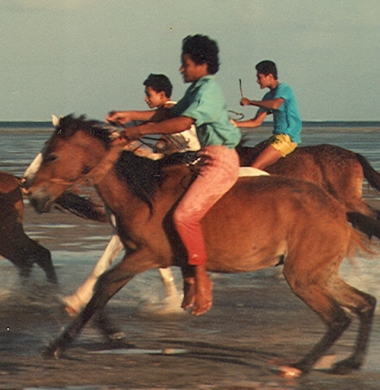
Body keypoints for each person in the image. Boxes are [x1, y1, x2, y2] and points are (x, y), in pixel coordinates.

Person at [107, 34, 241, 315]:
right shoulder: (196, 89)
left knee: (184, 216)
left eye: (186, 64)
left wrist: (138, 131)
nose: (181, 69)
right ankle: (189, 275)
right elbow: (164, 115)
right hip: (204, 158)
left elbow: (182, 122)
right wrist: (128, 115)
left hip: (221, 160)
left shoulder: (209, 91)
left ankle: (201, 278)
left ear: (201, 65)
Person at [232, 60, 301, 171]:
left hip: (287, 138)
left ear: (269, 76)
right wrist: (235, 124)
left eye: (259, 77)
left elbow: (275, 105)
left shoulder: (284, 89)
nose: (257, 81)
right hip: (276, 137)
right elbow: (256, 122)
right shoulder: (267, 96)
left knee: (253, 168)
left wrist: (250, 102)